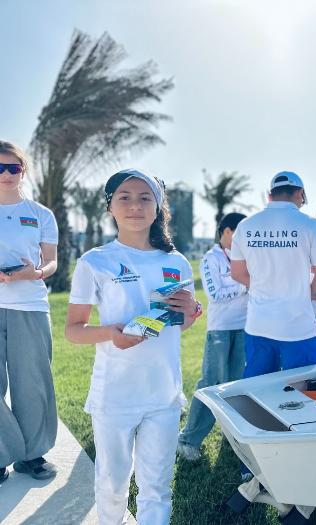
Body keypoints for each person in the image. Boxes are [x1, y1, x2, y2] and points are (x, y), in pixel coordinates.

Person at [65, 169, 200, 524]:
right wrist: (112, 333)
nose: (135, 206)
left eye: (145, 198)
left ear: (158, 207)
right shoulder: (95, 262)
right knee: (112, 484)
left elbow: (179, 323)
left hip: (163, 394)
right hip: (115, 395)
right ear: (110, 207)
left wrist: (190, 312)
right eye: (125, 197)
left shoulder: (176, 262)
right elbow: (74, 331)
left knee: (157, 486)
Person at [230, 171, 316, 377]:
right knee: (301, 389)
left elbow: (237, 273)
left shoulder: (245, 226)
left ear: (270, 195)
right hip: (298, 326)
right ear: (299, 193)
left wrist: (263, 286)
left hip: (259, 324)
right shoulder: (310, 225)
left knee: (258, 389)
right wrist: (304, 294)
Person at [0, 141, 59, 483]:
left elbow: (51, 262)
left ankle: (31, 457)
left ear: (23, 171)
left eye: (13, 167)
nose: (6, 174)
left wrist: (34, 273)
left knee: (32, 384)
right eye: (0, 167)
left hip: (30, 306)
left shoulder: (41, 214)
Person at [177, 212, 248, 461]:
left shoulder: (246, 257)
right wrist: (245, 284)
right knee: (211, 382)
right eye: (241, 233)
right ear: (227, 231)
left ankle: (235, 437)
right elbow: (215, 293)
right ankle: (188, 440)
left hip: (245, 328)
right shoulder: (211, 258)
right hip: (220, 329)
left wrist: (243, 282)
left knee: (237, 384)